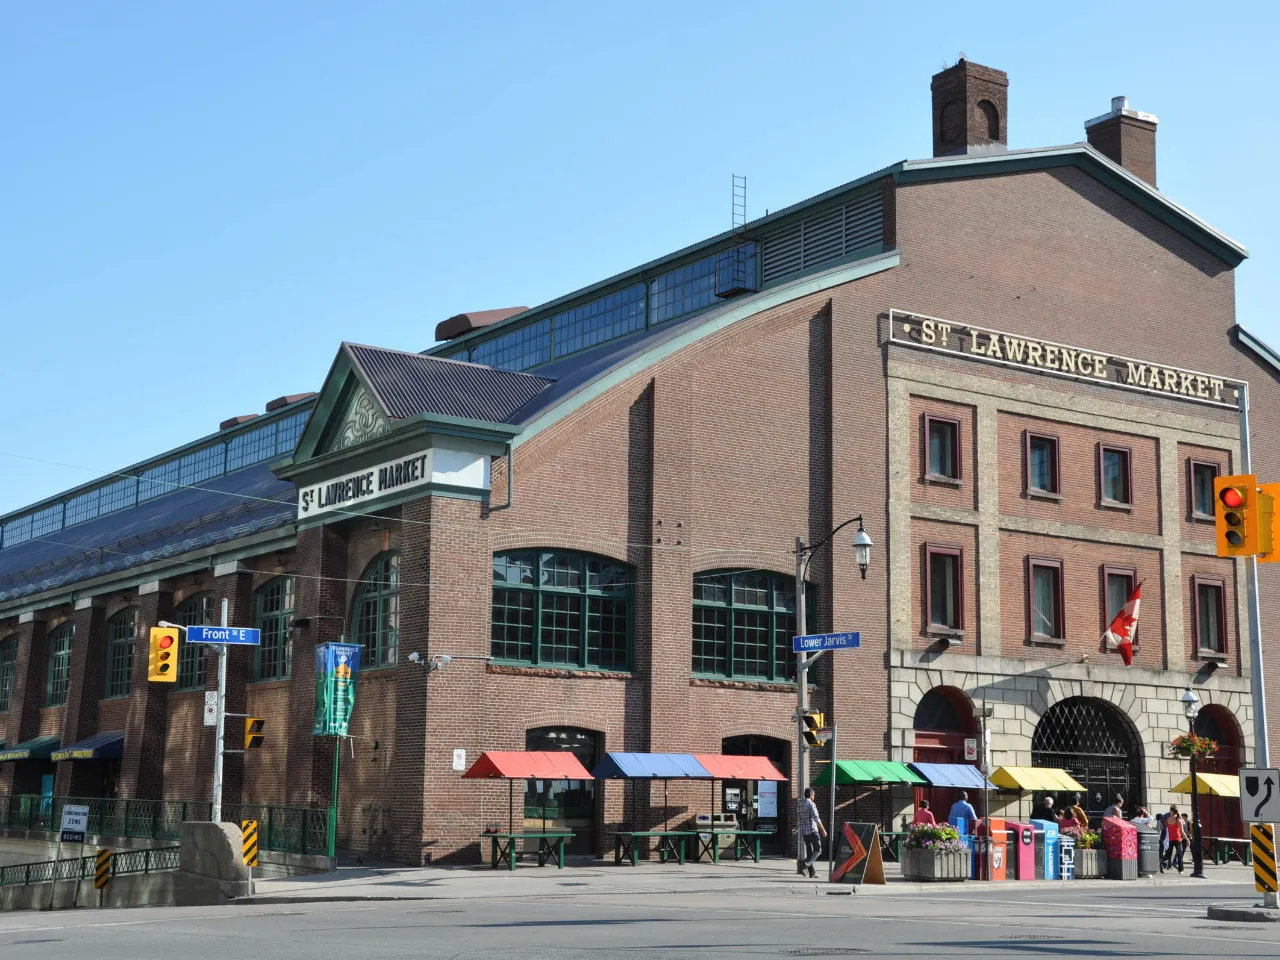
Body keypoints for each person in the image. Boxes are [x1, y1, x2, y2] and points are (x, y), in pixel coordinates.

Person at [796, 787, 827, 878]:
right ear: (810, 795)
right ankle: (804, 864)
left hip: (804, 831)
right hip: (812, 831)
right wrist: (823, 830)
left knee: (809, 852)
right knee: (818, 849)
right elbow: (816, 818)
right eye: (813, 795)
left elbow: (799, 817)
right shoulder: (811, 804)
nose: (814, 797)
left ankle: (812, 872)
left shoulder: (800, 804)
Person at [1164, 805, 1185, 873]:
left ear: (1171, 811)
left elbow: (1167, 826)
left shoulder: (1168, 819)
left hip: (1170, 838)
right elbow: (1183, 824)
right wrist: (1180, 815)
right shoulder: (1178, 820)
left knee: (1168, 853)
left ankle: (1162, 862)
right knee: (1179, 854)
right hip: (1178, 838)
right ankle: (1180, 869)